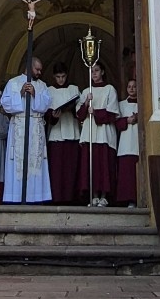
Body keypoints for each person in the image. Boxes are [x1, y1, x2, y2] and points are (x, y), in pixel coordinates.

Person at [1, 56, 52, 204]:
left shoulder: (42, 85)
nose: (39, 72)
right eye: (37, 69)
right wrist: (20, 94)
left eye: (40, 70)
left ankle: (36, 197)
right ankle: (15, 197)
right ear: (29, 67)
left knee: (35, 162)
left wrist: (35, 94)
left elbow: (46, 104)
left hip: (35, 126)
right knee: (18, 163)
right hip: (19, 126)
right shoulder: (13, 83)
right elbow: (5, 104)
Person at [77, 59, 118, 206]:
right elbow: (79, 115)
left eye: (96, 71)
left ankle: (104, 195)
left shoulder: (109, 89)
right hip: (90, 133)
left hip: (103, 134)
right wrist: (87, 103)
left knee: (104, 165)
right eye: (92, 71)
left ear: (102, 72)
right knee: (91, 165)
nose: (94, 74)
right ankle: (93, 195)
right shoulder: (86, 91)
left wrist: (95, 112)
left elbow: (112, 114)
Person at [46, 61, 81, 205]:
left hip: (71, 132)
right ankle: (57, 197)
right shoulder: (49, 90)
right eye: (58, 77)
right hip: (56, 134)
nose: (61, 80)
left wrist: (71, 109)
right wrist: (52, 116)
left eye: (63, 76)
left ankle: (71, 197)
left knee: (71, 168)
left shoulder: (74, 89)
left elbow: (79, 108)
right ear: (54, 77)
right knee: (56, 169)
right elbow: (45, 110)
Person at [115, 78, 140, 206]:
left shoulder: (143, 104)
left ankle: (136, 199)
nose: (131, 88)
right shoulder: (121, 105)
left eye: (134, 86)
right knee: (126, 174)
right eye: (129, 86)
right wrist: (127, 121)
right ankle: (125, 200)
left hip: (137, 142)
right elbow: (116, 123)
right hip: (125, 143)